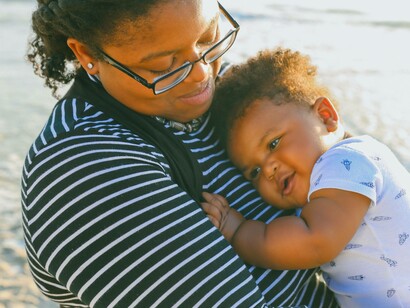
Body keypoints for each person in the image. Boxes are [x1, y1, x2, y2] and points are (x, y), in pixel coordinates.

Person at [22, 1, 338, 307]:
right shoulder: (81, 172)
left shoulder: (236, 91)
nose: (201, 74)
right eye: (162, 64)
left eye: (207, 36)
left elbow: (360, 172)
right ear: (87, 53)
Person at [201, 48, 410, 307]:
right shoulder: (328, 184)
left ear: (325, 116)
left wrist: (239, 232)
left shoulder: (346, 162)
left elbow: (314, 242)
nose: (268, 170)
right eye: (254, 172)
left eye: (273, 143)